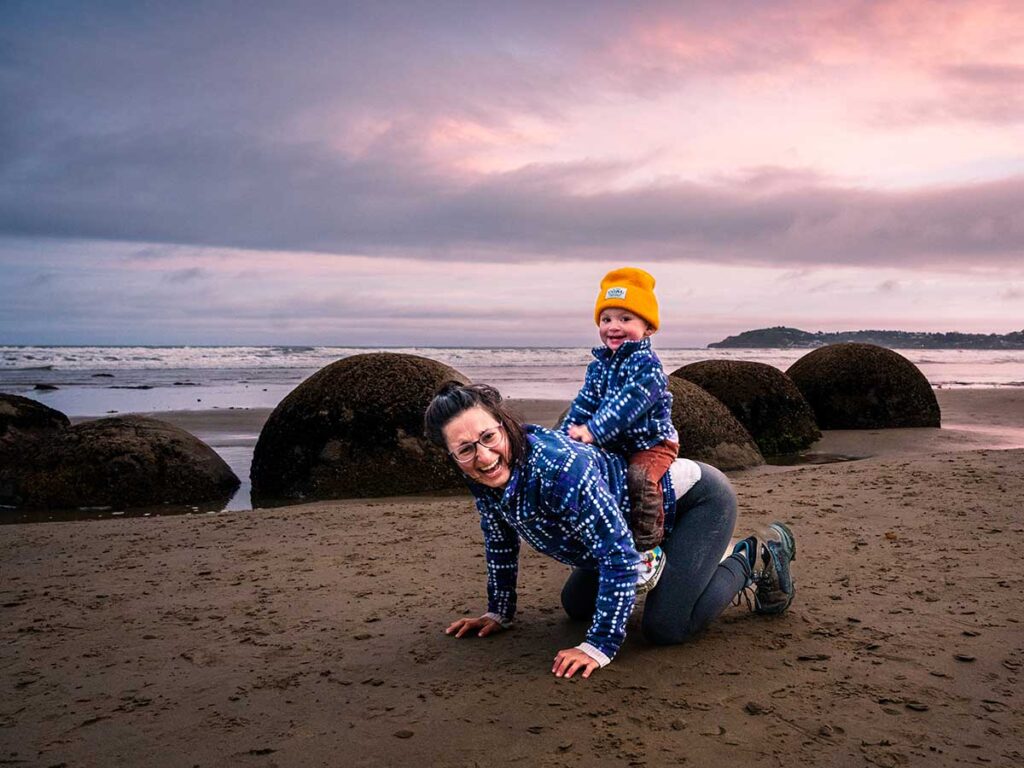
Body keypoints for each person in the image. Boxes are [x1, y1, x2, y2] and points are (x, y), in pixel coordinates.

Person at [424, 382, 796, 680]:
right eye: (466, 449)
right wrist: (498, 613)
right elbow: (500, 542)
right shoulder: (483, 478)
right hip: (632, 526)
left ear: (504, 425)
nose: (484, 457)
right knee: (577, 606)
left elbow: (617, 556)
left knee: (667, 627)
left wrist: (599, 646)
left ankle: (753, 556)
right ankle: (676, 560)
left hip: (693, 502)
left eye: (489, 438)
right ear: (451, 455)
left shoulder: (560, 470)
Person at [562, 267, 678, 594]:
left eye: (626, 319)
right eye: (607, 319)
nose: (614, 326)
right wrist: (568, 432)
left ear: (648, 326)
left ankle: (647, 549)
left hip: (653, 442)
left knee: (640, 479)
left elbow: (628, 406)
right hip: (617, 443)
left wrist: (594, 430)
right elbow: (585, 402)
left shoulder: (647, 366)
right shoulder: (598, 366)